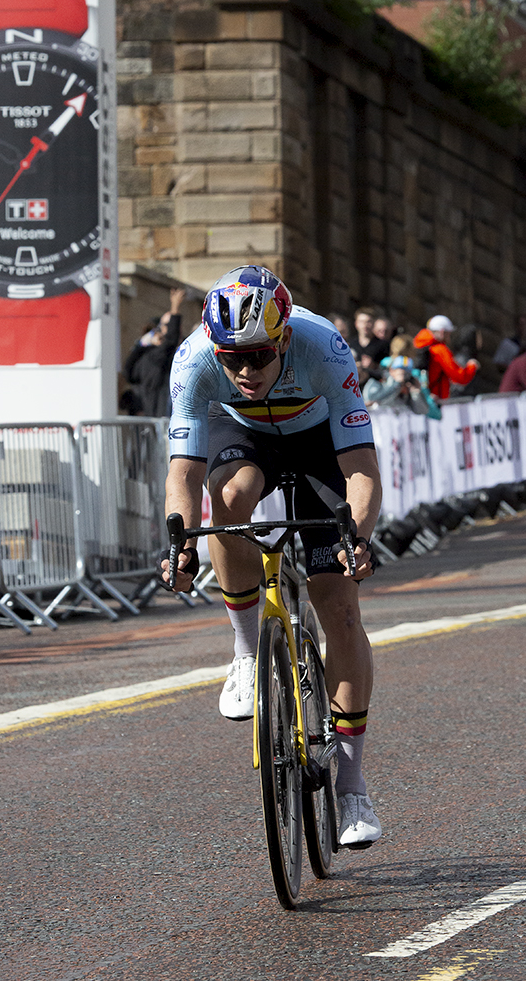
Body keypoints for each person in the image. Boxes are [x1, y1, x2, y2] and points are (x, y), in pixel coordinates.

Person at [161, 266, 382, 849]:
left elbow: (360, 467)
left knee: (340, 608)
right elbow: (182, 472)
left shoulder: (324, 347)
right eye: (231, 359)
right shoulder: (193, 362)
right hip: (247, 440)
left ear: (283, 339)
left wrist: (356, 536)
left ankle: (352, 785)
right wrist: (178, 542)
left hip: (319, 444)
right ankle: (244, 651)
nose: (244, 371)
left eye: (257, 357)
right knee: (228, 498)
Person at [124, 287, 186, 417]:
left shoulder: (181, 351)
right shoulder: (153, 356)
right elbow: (171, 339)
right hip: (158, 416)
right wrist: (175, 307)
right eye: (167, 326)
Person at [412, 315, 479, 399]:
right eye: (449, 334)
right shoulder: (440, 350)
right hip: (435, 399)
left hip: (421, 396)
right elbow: (460, 377)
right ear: (442, 332)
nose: (449, 337)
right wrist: (471, 366)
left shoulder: (417, 344)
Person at [363, 355, 440, 417]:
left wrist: (415, 392)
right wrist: (397, 385)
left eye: (407, 372)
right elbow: (375, 400)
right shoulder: (377, 382)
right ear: (391, 370)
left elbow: (422, 411)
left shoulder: (406, 389)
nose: (405, 376)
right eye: (402, 371)